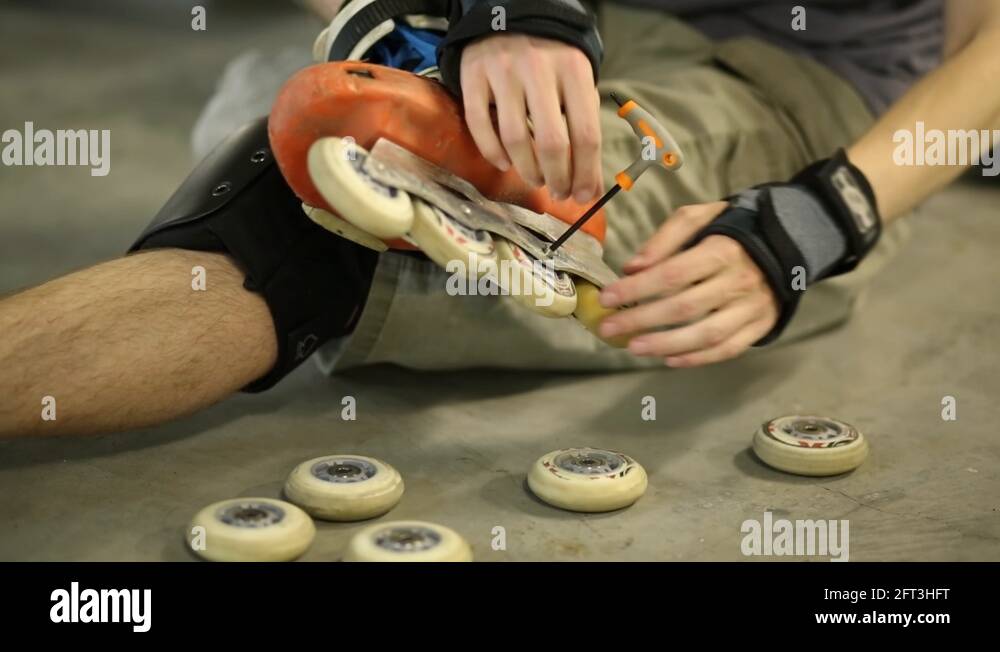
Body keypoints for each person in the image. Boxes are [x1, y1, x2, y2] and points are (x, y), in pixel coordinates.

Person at [1, 0, 996, 438]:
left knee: (320, 222)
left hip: (783, 83)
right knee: (299, 125)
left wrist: (826, 214)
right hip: (587, 23)